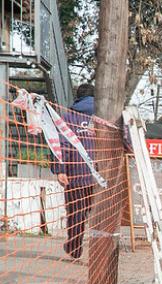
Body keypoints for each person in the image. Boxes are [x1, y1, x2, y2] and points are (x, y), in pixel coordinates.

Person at [51, 83, 96, 259]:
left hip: (75, 175)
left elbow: (61, 143)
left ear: (78, 98)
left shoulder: (68, 117)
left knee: (76, 212)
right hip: (101, 175)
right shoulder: (104, 115)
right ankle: (101, 253)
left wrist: (60, 169)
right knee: (98, 212)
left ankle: (75, 247)